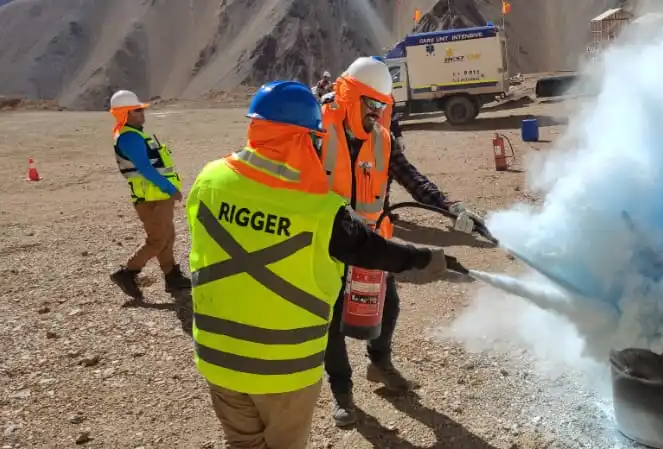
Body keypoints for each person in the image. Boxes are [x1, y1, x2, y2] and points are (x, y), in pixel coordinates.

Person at [187, 80, 452, 449]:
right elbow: (371, 250)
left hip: (217, 359)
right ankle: (343, 393)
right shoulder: (319, 210)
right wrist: (426, 258)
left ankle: (377, 365)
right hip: (281, 368)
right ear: (300, 139)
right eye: (312, 138)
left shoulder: (209, 179)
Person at [318, 56, 485, 427]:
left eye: (382, 106)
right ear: (349, 96)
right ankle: (342, 394)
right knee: (332, 322)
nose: (376, 113)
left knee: (388, 307)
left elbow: (412, 179)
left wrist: (450, 207)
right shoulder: (317, 136)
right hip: (329, 247)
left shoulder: (383, 141)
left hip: (374, 244)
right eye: (371, 104)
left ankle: (379, 365)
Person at [108, 90, 191, 300]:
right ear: (126, 114)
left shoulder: (135, 134)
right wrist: (170, 188)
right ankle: (128, 272)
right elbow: (145, 169)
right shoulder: (129, 138)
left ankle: (171, 275)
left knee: (167, 236)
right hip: (151, 198)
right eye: (137, 110)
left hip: (156, 196)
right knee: (157, 239)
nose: (142, 113)